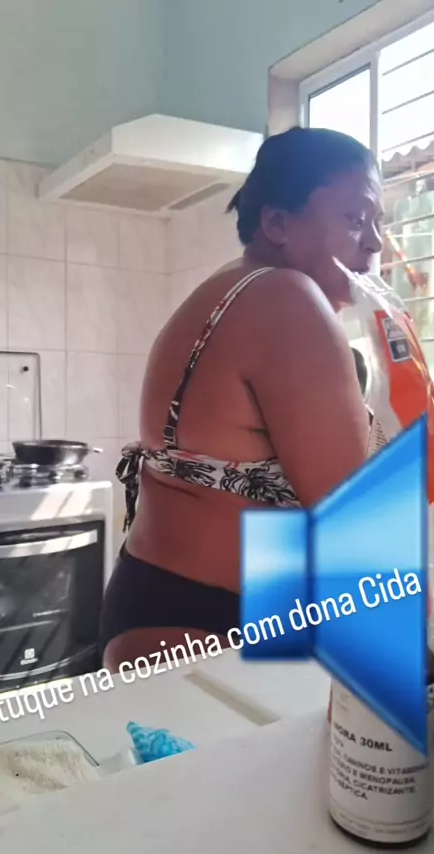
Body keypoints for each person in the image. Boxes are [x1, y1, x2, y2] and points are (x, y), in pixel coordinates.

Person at [100, 125, 384, 672]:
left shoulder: (236, 288)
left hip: (162, 604)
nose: (373, 242)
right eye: (355, 218)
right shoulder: (286, 298)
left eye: (379, 223)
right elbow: (352, 519)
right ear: (277, 222)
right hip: (204, 626)